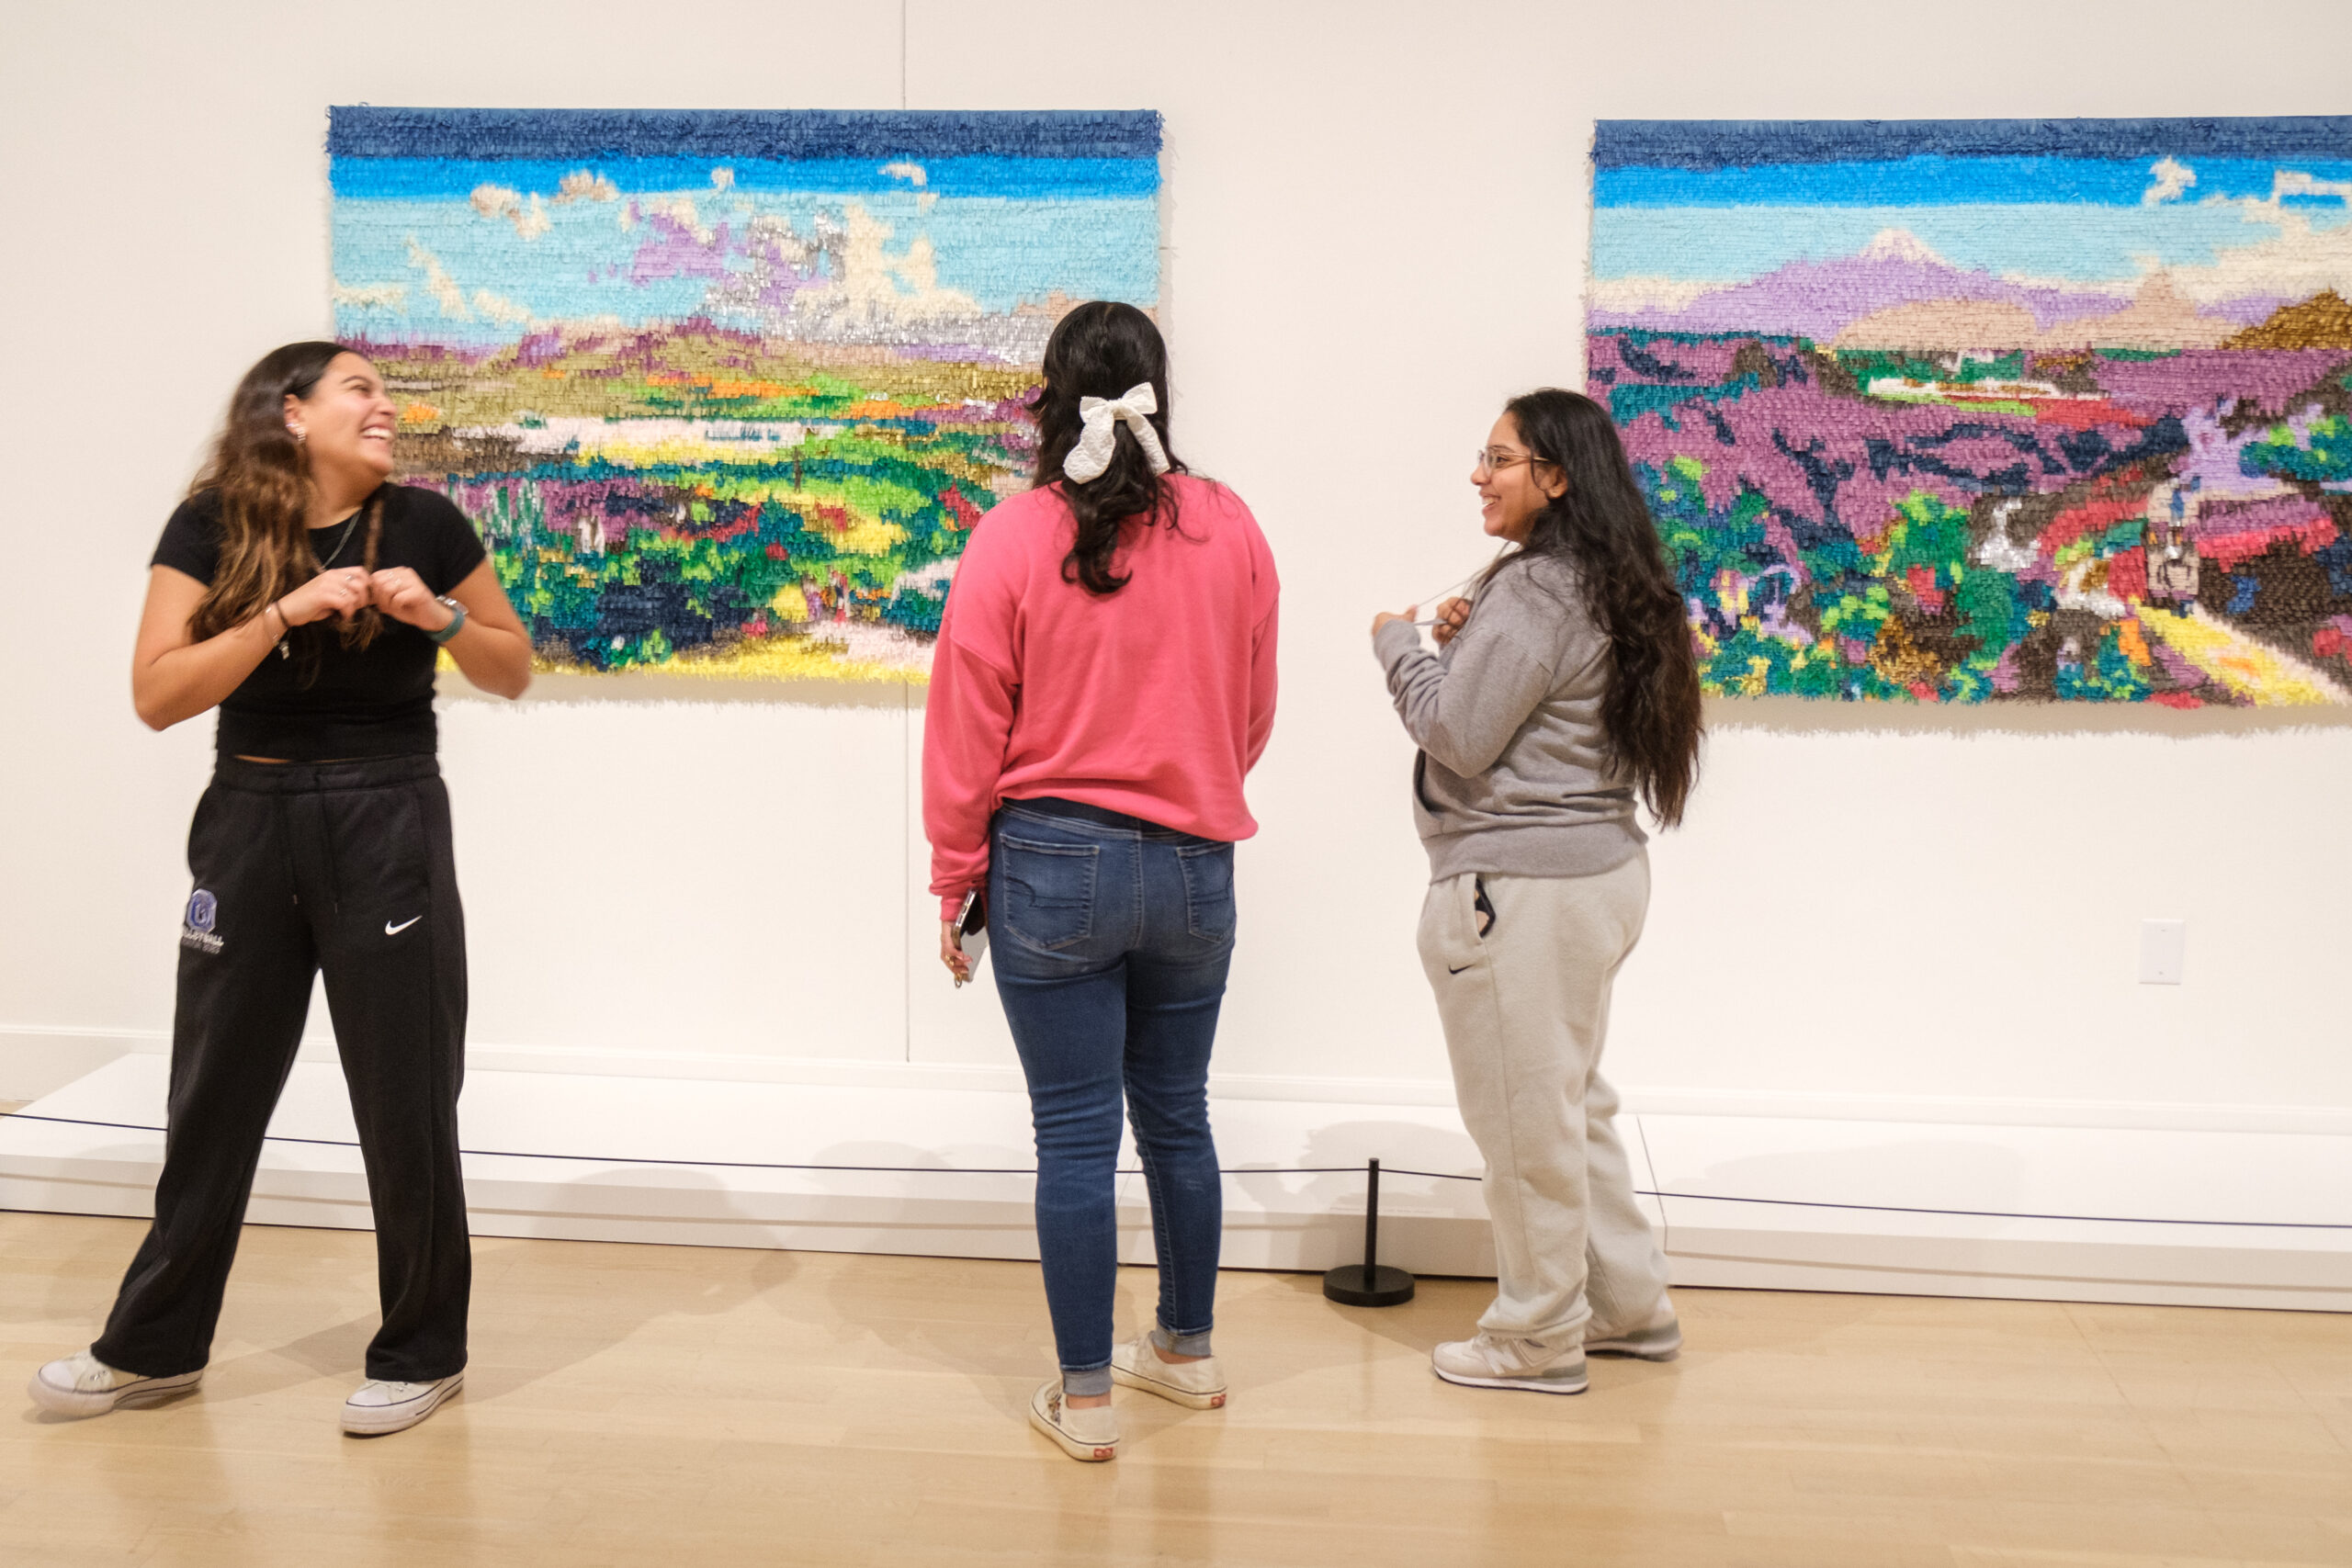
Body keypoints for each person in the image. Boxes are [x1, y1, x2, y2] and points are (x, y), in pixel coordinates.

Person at [28, 342, 532, 1436]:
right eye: (360, 388)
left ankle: (421, 1351)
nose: (385, 405)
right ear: (292, 413)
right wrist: (280, 615)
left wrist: (438, 620)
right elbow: (156, 694)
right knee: (212, 1091)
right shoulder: (211, 525)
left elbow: (512, 665)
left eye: (385, 390)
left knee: (405, 1095)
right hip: (248, 815)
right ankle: (153, 1348)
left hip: (384, 811)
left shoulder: (430, 525)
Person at [923, 301, 1279, 1461]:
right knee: (1178, 1117)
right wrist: (1188, 778)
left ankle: (1085, 1398)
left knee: (1073, 1138)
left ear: (1050, 391)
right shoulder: (1229, 525)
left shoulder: (1015, 533)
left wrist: (955, 875)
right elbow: (1251, 707)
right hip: (1193, 861)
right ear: (1159, 389)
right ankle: (1186, 1348)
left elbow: (967, 723)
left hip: (1054, 862)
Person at [1369, 388, 1702, 1394]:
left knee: (1524, 1124)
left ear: (1554, 477)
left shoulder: (1534, 592)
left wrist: (1397, 645)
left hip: (1519, 892)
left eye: (1499, 458)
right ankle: (1626, 1306)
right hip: (1594, 876)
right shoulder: (1599, 584)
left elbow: (1461, 737)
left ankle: (1535, 1337)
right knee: (1568, 1108)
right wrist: (1463, 646)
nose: (1478, 473)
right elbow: (1525, 706)